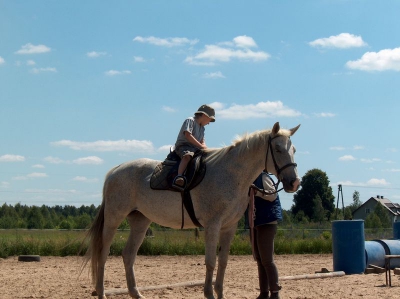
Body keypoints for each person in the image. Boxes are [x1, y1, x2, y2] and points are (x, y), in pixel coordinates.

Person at [248, 172, 282, 299]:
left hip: (267, 221)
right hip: (256, 221)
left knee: (267, 260)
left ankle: (274, 292)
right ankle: (264, 292)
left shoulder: (263, 177)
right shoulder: (250, 177)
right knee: (260, 260)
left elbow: (272, 195)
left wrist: (257, 192)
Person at [172, 104, 215, 190]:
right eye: (209, 119)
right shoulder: (190, 120)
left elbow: (202, 141)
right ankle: (179, 177)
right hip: (183, 146)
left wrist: (206, 149)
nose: (209, 123)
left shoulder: (202, 128)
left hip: (195, 148)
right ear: (204, 115)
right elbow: (188, 135)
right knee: (187, 156)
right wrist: (200, 146)